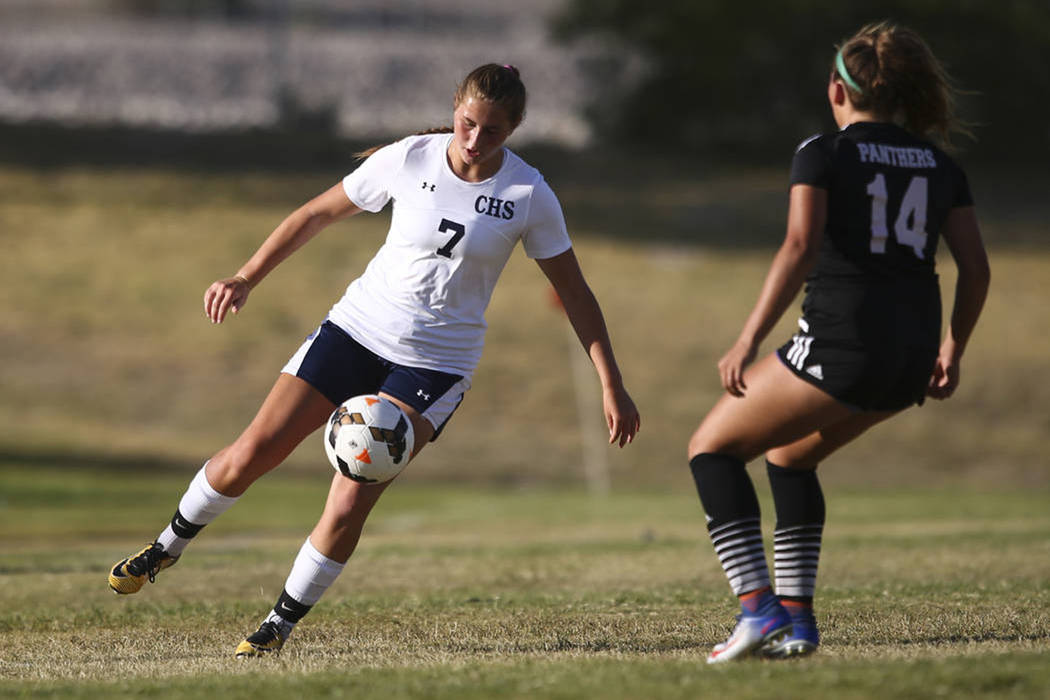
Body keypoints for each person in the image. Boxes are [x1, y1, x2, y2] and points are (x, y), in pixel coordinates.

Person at [107, 63, 641, 657]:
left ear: (513, 129)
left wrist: (610, 382)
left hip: (434, 367)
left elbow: (576, 293)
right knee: (252, 453)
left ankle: (276, 627)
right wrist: (245, 276)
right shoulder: (409, 157)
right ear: (455, 110)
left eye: (492, 131)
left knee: (351, 490)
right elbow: (315, 213)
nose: (473, 140)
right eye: (467, 123)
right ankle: (164, 548)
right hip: (355, 330)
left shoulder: (529, 195)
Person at [686, 22, 989, 663]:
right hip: (911, 355)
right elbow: (976, 267)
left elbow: (799, 246)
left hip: (843, 341)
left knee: (711, 450)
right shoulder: (941, 163)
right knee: (790, 459)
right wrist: (952, 348)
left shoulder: (823, 152)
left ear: (837, 89)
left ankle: (759, 611)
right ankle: (797, 626)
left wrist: (747, 339)